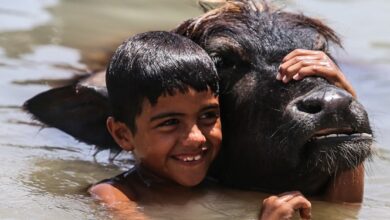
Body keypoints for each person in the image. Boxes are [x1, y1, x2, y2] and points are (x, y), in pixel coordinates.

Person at [89, 30, 355, 219]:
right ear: (123, 135)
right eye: (170, 122)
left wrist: (348, 104)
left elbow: (345, 208)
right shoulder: (114, 196)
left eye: (207, 116)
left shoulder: (218, 180)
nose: (196, 138)